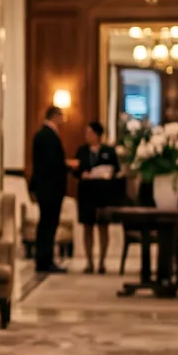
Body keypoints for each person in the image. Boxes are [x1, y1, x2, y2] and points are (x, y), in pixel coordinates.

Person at [75, 120, 120, 274]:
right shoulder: (82, 151)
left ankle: (102, 261)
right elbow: (76, 169)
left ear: (98, 135)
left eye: (90, 133)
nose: (87, 136)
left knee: (103, 227)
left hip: (103, 193)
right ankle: (89, 261)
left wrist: (109, 174)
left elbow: (116, 169)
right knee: (87, 227)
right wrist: (82, 174)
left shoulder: (109, 151)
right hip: (86, 193)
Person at [30, 104, 69, 274]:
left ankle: (44, 258)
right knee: (48, 224)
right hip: (50, 188)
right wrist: (67, 166)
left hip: (44, 188)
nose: (63, 120)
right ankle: (45, 260)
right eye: (61, 117)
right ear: (55, 116)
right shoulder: (48, 136)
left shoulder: (40, 135)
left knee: (45, 224)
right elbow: (50, 164)